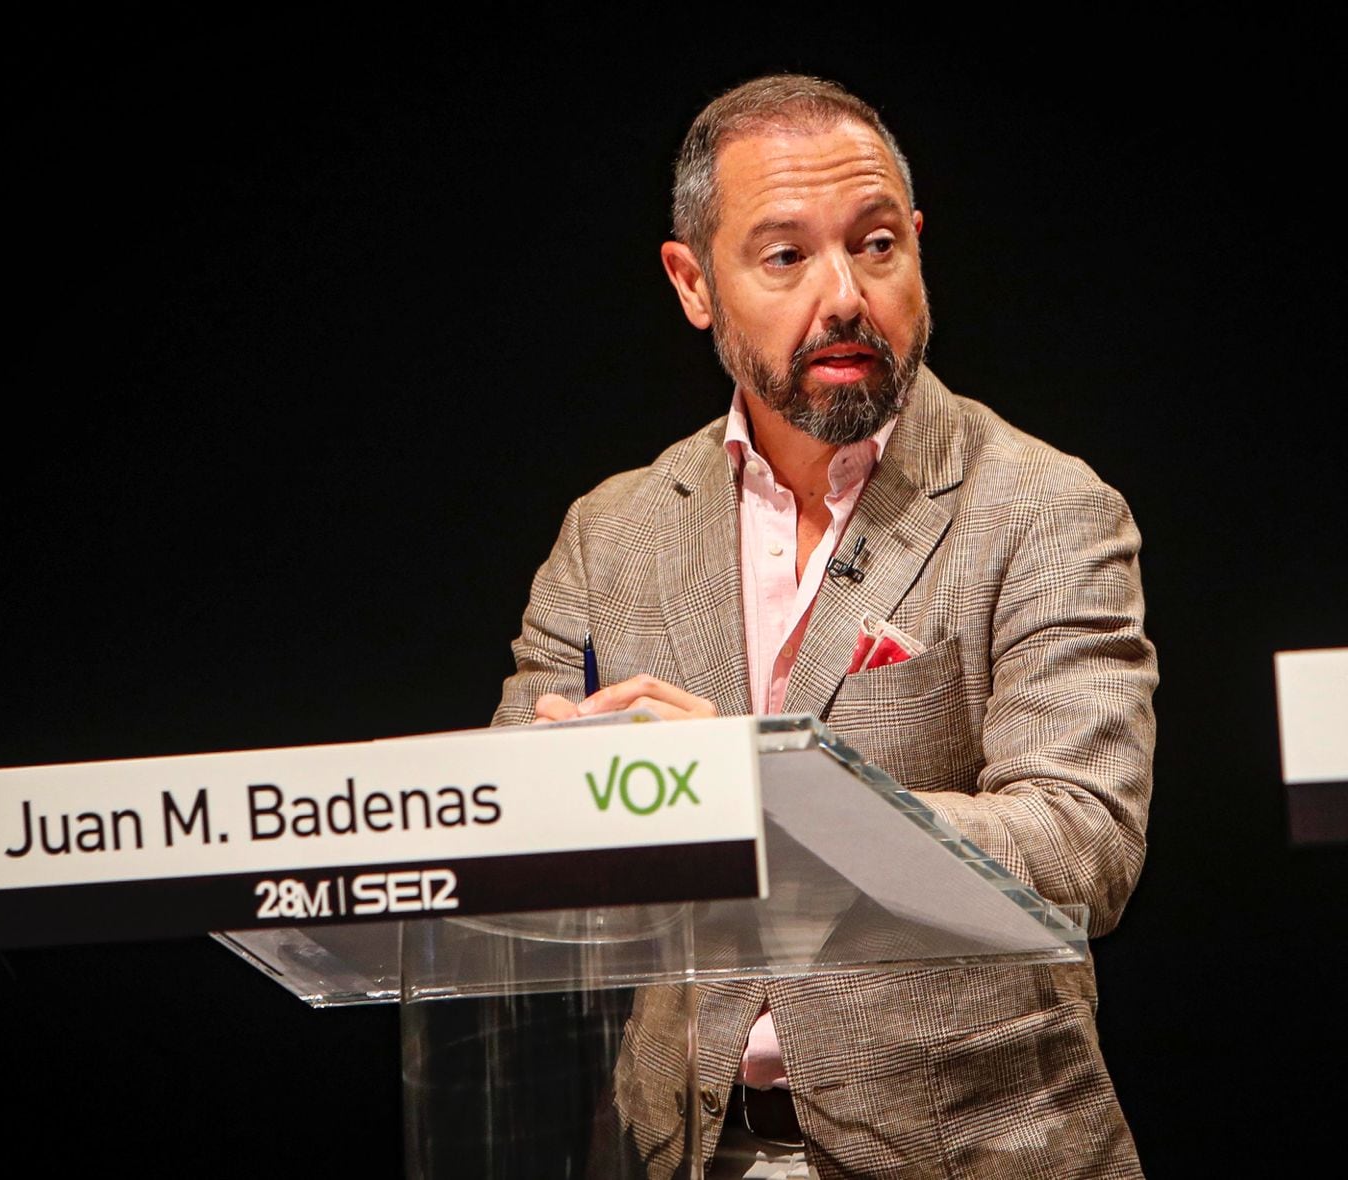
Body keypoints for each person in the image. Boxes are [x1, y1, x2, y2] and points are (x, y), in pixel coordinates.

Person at [493, 75, 1156, 1178]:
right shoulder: (609, 534)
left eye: (877, 244)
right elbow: (513, 835)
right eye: (785, 257)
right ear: (693, 283)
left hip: (973, 1154)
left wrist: (758, 790)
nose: (845, 295)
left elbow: (1079, 846)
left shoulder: (1045, 506)